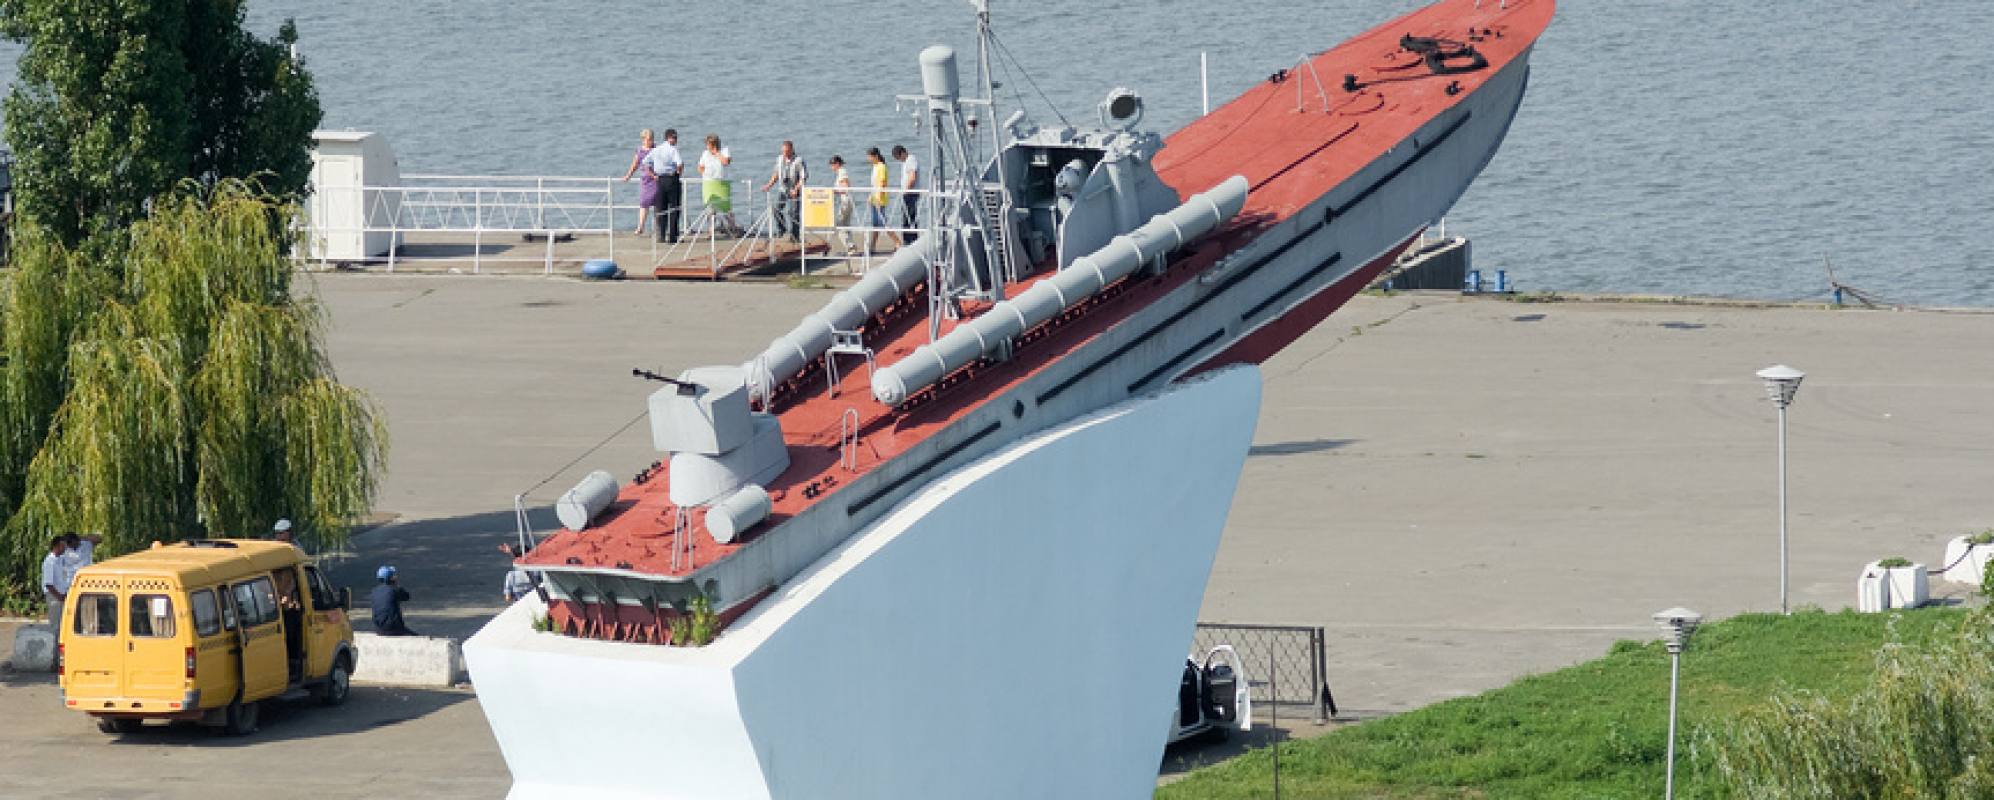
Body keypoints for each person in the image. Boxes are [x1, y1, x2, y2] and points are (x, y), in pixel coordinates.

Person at [643, 129, 685, 244]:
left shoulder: (656, 149)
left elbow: (645, 162)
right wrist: (678, 173)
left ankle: (661, 235)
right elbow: (680, 164)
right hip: (671, 178)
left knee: (661, 208)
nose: (675, 140)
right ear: (668, 138)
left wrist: (653, 174)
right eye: (674, 138)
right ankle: (672, 237)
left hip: (660, 180)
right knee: (674, 208)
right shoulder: (673, 150)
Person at [763, 140, 807, 244]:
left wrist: (796, 188)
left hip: (795, 189)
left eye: (787, 151)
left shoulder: (798, 160)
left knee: (793, 213)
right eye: (783, 151)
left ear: (792, 150)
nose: (785, 154)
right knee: (776, 209)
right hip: (783, 189)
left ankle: (795, 235)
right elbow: (776, 174)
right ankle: (781, 229)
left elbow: (803, 177)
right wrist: (769, 185)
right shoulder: (779, 159)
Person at [619, 129, 659, 235]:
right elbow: (635, 164)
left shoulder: (656, 149)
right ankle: (640, 226)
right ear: (643, 139)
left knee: (658, 203)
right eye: (648, 139)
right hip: (646, 180)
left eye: (651, 139)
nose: (650, 141)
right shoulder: (640, 150)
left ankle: (657, 227)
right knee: (644, 203)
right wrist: (628, 175)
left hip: (656, 179)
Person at [697, 134, 739, 236]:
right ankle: (710, 232)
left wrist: (716, 153)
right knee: (710, 209)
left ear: (713, 144)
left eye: (708, 144)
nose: (707, 146)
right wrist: (705, 172)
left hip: (721, 183)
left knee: (726, 208)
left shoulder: (724, 151)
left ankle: (733, 228)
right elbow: (699, 167)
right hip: (709, 183)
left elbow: (725, 162)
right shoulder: (705, 154)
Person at [865, 148, 899, 251]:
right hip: (874, 199)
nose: (868, 159)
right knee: (876, 224)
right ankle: (872, 246)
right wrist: (871, 197)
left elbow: (882, 183)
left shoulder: (881, 167)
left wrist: (879, 198)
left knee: (883, 222)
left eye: (870, 157)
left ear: (875, 156)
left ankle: (897, 242)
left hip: (880, 199)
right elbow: (874, 184)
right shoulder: (875, 167)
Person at [370, 565, 416, 637]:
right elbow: (407, 597)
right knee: (415, 636)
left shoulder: (374, 591)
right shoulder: (395, 589)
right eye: (393, 575)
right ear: (391, 578)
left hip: (378, 629)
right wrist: (397, 585)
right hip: (394, 629)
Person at [827, 155, 857, 256]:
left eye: (832, 165)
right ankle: (851, 247)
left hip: (846, 202)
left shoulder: (842, 172)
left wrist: (835, 191)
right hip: (847, 201)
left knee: (839, 225)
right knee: (846, 225)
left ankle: (850, 246)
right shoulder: (841, 172)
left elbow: (846, 186)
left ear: (837, 164)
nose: (831, 167)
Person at [892, 144, 921, 244]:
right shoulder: (906, 162)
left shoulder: (910, 160)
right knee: (908, 216)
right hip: (909, 193)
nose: (899, 160)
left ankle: (910, 240)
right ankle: (909, 239)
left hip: (911, 193)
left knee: (908, 217)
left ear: (902, 153)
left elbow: (912, 177)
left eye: (898, 157)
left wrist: (906, 190)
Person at [40, 536, 66, 628]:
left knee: (62, 623)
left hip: (60, 595)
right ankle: (54, 641)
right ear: (57, 546)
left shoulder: (59, 559)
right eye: (63, 546)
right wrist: (59, 597)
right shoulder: (49, 562)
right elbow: (48, 584)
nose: (65, 548)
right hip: (54, 596)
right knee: (55, 623)